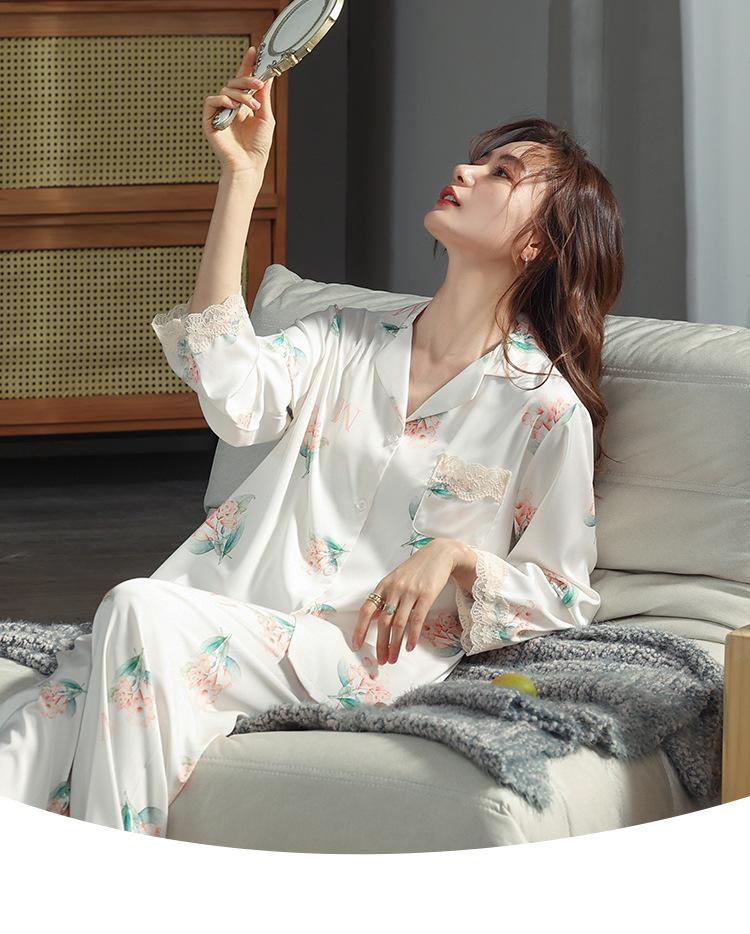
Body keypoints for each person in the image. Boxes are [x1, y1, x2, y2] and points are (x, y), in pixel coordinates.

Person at [0, 45, 623, 835]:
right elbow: (231, 392)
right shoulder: (340, 339)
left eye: (500, 173)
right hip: (231, 615)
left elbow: (564, 599)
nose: (465, 172)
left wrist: (456, 557)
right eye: (476, 160)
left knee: (137, 609)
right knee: (28, 743)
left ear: (537, 244)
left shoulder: (542, 410)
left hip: (357, 662)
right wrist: (241, 178)